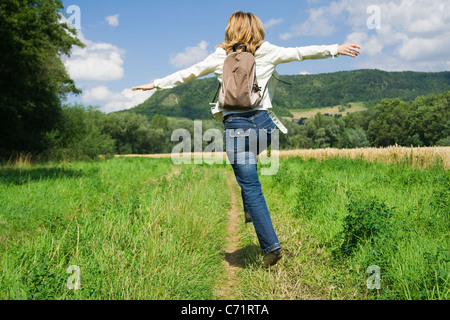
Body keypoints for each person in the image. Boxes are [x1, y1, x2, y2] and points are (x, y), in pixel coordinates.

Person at [132, 11, 360, 268]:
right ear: (257, 29)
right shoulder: (267, 50)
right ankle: (254, 215)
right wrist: (335, 48)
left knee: (250, 185)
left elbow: (189, 73)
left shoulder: (221, 56)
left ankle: (271, 247)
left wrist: (155, 84)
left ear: (230, 30)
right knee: (249, 177)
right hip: (265, 128)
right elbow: (300, 52)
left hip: (236, 127)